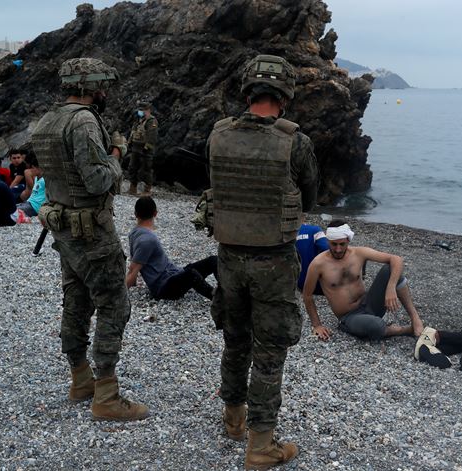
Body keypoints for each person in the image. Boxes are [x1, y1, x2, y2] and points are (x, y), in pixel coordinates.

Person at [208, 54, 319, 469]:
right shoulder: (296, 141)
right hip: (273, 262)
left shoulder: (218, 135)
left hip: (229, 258)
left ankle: (233, 418)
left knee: (235, 340)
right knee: (269, 352)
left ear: (247, 90)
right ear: (285, 94)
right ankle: (261, 445)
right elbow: (309, 194)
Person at [31, 57, 147, 421]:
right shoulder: (83, 121)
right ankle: (107, 395)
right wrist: (117, 153)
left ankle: (80, 378)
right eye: (102, 87)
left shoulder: (47, 121)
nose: (105, 93)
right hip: (92, 232)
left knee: (76, 301)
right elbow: (99, 181)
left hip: (63, 228)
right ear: (89, 87)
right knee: (114, 305)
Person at [302, 220, 426, 342]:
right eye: (334, 244)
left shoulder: (359, 253)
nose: (338, 249)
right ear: (328, 241)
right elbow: (307, 295)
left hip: (369, 303)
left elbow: (396, 259)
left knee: (390, 269)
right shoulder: (318, 264)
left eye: (342, 244)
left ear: (348, 241)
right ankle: (404, 330)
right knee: (376, 326)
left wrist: (391, 287)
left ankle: (415, 319)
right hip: (349, 317)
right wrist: (317, 325)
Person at [126, 196, 218, 300]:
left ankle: (227, 290)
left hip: (174, 273)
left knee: (212, 260)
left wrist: (133, 283)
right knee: (192, 274)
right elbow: (132, 270)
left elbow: (134, 262)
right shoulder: (148, 240)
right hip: (163, 287)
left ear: (135, 214)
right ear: (155, 213)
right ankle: (216, 297)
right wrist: (120, 295)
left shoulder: (134, 233)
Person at [125, 101, 158, 196]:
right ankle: (133, 187)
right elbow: (133, 131)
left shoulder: (152, 121)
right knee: (132, 167)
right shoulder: (138, 120)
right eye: (140, 110)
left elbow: (152, 136)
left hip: (145, 149)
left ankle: (147, 189)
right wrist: (129, 142)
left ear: (148, 110)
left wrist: (147, 147)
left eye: (142, 110)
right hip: (136, 147)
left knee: (146, 168)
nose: (140, 112)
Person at [295, 223, 329, 295]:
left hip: (299, 283)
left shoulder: (285, 234)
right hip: (318, 284)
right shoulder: (315, 230)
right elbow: (326, 249)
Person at [13, 153, 45, 219]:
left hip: (35, 206)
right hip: (29, 202)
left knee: (11, 213)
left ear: (39, 168)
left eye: (33, 168)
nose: (32, 170)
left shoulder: (45, 180)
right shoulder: (36, 178)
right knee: (8, 208)